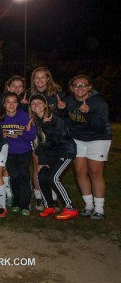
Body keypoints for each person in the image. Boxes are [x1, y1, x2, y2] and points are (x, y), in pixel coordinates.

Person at [61, 75, 112, 220]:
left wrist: (87, 112)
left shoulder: (98, 102)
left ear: (90, 87)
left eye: (83, 85)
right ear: (71, 88)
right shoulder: (69, 101)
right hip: (78, 139)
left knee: (95, 172)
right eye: (76, 85)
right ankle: (88, 206)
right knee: (80, 171)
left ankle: (99, 208)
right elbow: (66, 120)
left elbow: (100, 127)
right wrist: (62, 110)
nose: (80, 88)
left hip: (98, 138)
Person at [29, 94, 78, 220]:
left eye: (39, 103)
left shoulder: (53, 118)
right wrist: (42, 159)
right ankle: (49, 206)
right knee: (41, 175)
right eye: (33, 103)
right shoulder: (37, 120)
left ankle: (70, 208)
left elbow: (57, 139)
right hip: (51, 152)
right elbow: (44, 142)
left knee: (54, 178)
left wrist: (39, 150)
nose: (36, 105)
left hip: (65, 151)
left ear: (45, 104)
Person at [28, 67, 65, 211]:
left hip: (54, 135)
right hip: (38, 134)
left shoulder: (58, 94)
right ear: (33, 80)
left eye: (43, 77)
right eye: (36, 77)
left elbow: (66, 115)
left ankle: (53, 199)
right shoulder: (29, 94)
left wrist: (63, 108)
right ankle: (39, 197)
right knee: (38, 165)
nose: (40, 80)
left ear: (48, 78)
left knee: (52, 166)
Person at [0, 92, 37, 216]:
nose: (11, 104)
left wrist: (26, 132)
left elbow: (32, 136)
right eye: (8, 102)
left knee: (24, 177)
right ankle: (16, 201)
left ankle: (25, 204)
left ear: (18, 104)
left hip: (24, 151)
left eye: (14, 102)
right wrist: (2, 136)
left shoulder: (25, 117)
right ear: (4, 104)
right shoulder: (1, 118)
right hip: (9, 153)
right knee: (14, 176)